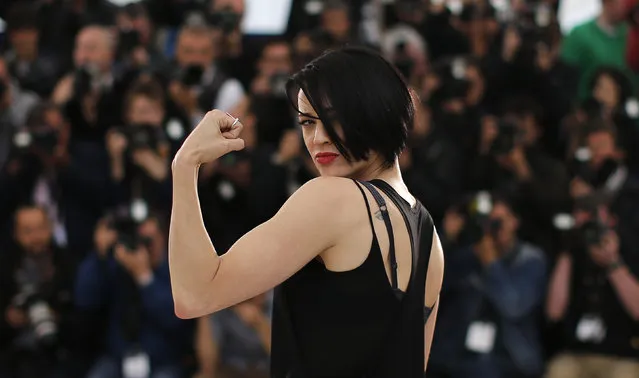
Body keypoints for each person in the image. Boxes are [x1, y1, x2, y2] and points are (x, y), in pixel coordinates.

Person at [168, 47, 445, 378]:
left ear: (377, 112)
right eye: (307, 122)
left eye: (335, 118)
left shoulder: (332, 198)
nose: (319, 138)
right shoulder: (429, 234)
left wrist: (185, 165)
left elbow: (193, 295)